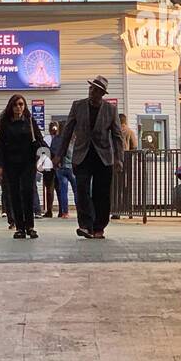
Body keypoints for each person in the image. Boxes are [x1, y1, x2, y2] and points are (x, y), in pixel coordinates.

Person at [54, 75, 123, 240]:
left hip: (103, 156)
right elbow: (67, 132)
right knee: (82, 189)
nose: (92, 91)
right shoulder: (77, 106)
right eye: (91, 88)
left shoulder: (110, 110)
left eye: (96, 90)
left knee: (102, 193)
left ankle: (99, 227)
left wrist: (118, 158)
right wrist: (59, 155)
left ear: (102, 93)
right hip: (82, 155)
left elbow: (117, 136)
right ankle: (85, 225)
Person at [0, 94, 46, 239]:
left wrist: (50, 156)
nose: (19, 107)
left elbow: (40, 140)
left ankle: (30, 226)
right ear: (11, 106)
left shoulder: (30, 121)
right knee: (15, 194)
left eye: (21, 104)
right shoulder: (5, 123)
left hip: (28, 163)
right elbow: (0, 146)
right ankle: (19, 227)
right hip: (11, 164)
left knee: (28, 192)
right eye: (16, 104)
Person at [50, 121, 76, 218]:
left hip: (60, 167)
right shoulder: (73, 138)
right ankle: (80, 210)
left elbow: (52, 151)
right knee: (76, 190)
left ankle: (65, 212)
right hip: (71, 167)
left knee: (63, 190)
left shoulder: (56, 139)